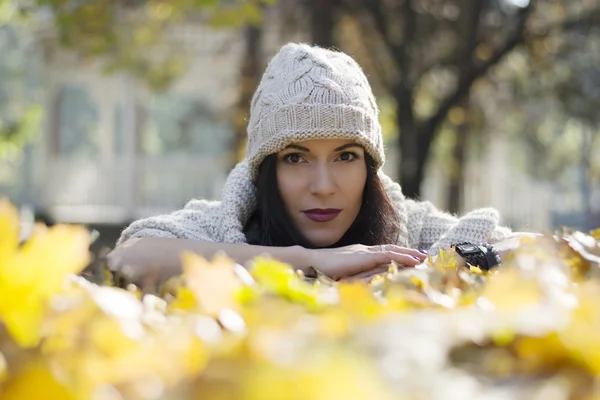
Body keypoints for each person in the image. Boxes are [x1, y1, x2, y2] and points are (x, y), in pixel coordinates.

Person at [108, 43, 524, 285]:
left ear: (370, 168)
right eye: (295, 158)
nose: (323, 185)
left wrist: (415, 275)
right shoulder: (227, 223)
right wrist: (310, 261)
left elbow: (531, 247)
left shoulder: (403, 228)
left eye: (345, 156)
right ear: (267, 170)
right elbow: (130, 257)